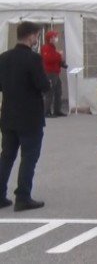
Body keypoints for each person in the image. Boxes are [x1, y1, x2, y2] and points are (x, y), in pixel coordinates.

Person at [0, 21, 50, 211]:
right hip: (30, 116)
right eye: (37, 36)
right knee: (29, 156)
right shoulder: (33, 59)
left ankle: (0, 193)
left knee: (7, 155)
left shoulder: (3, 58)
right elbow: (43, 85)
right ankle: (23, 196)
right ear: (30, 36)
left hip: (8, 114)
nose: (37, 39)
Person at [40, 31, 67, 118]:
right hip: (49, 73)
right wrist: (59, 55)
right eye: (54, 37)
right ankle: (47, 111)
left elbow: (54, 59)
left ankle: (57, 110)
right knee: (49, 92)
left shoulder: (53, 48)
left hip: (55, 72)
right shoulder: (46, 48)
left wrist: (61, 61)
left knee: (58, 92)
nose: (55, 39)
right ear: (49, 38)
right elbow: (48, 59)